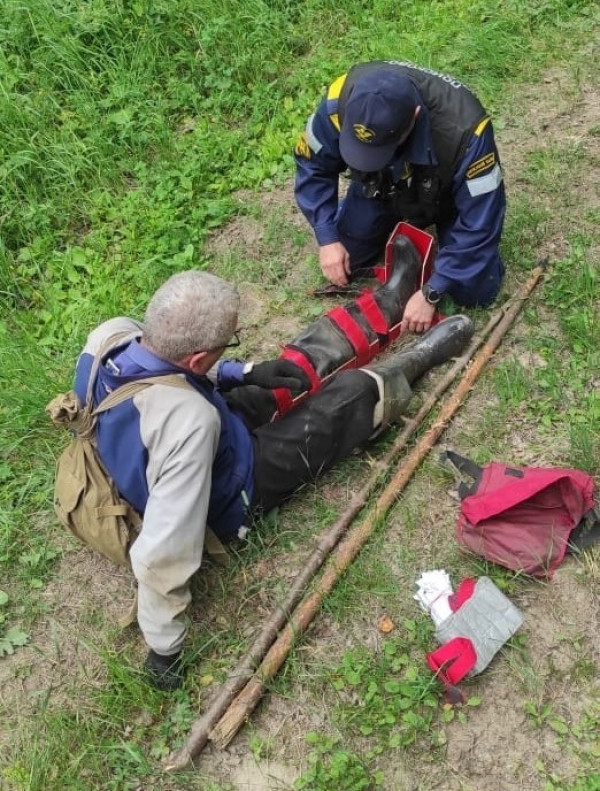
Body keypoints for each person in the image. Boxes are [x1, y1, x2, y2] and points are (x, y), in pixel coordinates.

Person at [74, 270, 474, 690]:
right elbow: (162, 551)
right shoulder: (188, 424)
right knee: (350, 397)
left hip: (192, 426)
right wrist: (164, 648)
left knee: (292, 368)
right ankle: (413, 363)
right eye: (226, 342)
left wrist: (240, 370)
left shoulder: (111, 337)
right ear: (195, 359)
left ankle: (388, 303)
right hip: (233, 486)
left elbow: (175, 369)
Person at [294, 60, 506, 333]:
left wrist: (433, 291)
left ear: (415, 117)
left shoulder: (467, 132)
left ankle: (440, 236)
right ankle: (382, 212)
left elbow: (482, 221)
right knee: (348, 262)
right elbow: (313, 165)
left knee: (475, 292)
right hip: (380, 183)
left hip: (446, 193)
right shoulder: (340, 100)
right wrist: (327, 236)